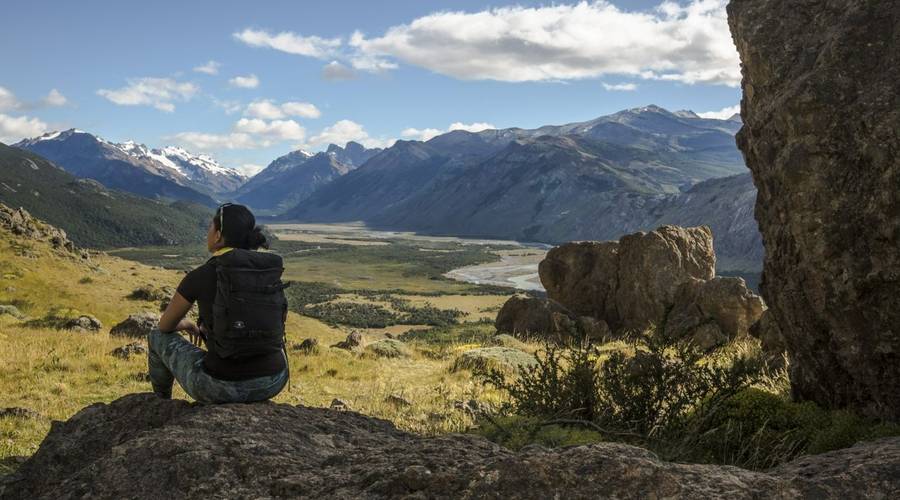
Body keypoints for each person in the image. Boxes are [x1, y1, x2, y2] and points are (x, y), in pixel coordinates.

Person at [148, 203, 289, 403]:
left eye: (210, 227)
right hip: (274, 379)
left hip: (220, 387)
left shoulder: (201, 275)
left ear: (218, 235)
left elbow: (165, 326)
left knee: (156, 337)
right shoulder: (265, 270)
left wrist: (188, 324)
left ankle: (160, 403)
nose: (208, 232)